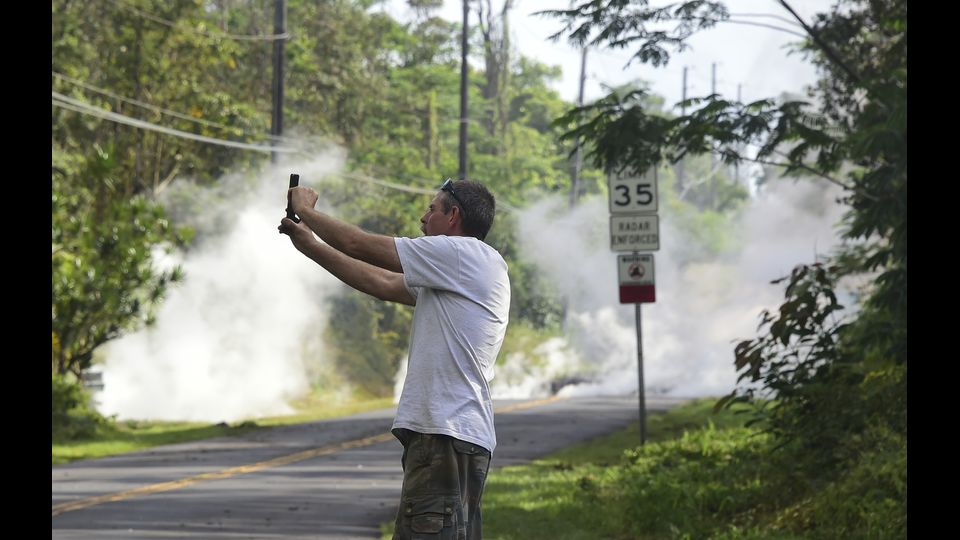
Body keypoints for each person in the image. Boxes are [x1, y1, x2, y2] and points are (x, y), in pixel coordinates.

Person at [278, 178, 510, 539]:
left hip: (443, 435)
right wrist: (309, 243)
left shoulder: (463, 254)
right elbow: (382, 282)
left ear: (453, 216)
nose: (422, 219)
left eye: (431, 210)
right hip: (454, 437)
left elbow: (359, 244)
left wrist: (307, 210)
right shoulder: (462, 270)